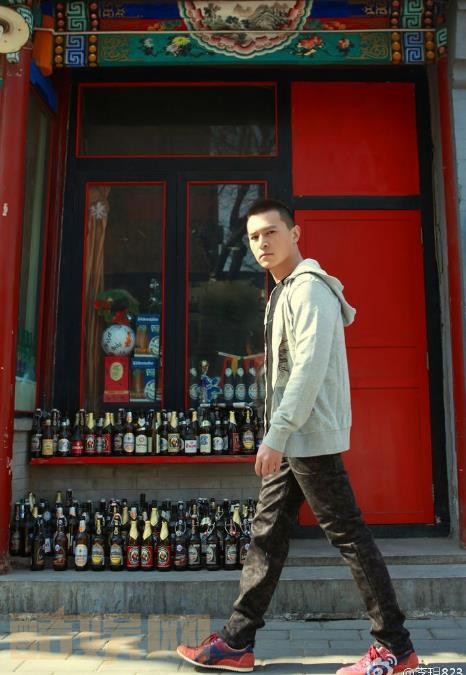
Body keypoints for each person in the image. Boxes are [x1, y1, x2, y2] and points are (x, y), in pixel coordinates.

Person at [177, 199, 419, 674]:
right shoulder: (284, 291)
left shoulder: (308, 290)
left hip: (307, 437)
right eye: (253, 237)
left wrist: (278, 434)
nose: (262, 243)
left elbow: (306, 370)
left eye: (271, 232)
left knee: (349, 536)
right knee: (266, 536)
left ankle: (396, 647)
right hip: (293, 437)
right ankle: (237, 641)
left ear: (295, 234)